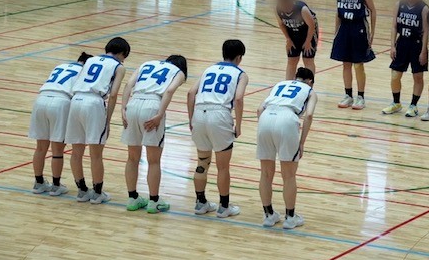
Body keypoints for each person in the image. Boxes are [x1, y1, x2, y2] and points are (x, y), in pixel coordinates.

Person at [187, 40, 249, 218]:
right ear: (239, 57)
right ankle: (223, 207)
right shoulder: (241, 74)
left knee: (202, 162)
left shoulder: (208, 69)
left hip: (199, 113)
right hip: (220, 115)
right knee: (222, 167)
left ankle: (200, 203)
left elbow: (191, 93)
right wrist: (238, 125)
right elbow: (238, 99)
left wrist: (191, 119)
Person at [66, 37, 130, 204]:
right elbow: (113, 94)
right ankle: (97, 193)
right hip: (94, 103)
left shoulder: (89, 60)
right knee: (96, 154)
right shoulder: (119, 67)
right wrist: (107, 121)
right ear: (122, 53)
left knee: (76, 151)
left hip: (76, 100)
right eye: (124, 57)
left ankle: (82, 191)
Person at [121, 55, 187, 213]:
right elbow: (169, 90)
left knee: (132, 157)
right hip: (153, 105)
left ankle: (132, 198)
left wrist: (123, 107)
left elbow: (128, 84)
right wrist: (160, 114)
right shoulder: (178, 71)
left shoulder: (146, 63)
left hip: (133, 103)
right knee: (154, 160)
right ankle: (154, 201)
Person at [256, 67, 317, 229]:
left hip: (265, 118)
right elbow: (309, 115)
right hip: (287, 119)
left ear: (295, 77)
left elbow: (259, 109)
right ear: (310, 81)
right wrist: (301, 142)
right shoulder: (310, 91)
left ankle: (268, 215)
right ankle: (290, 218)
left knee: (265, 173)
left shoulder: (280, 84)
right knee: (289, 175)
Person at [28, 52, 93, 196]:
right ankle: (56, 185)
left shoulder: (60, 66)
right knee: (57, 149)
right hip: (60, 102)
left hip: (41, 99)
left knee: (40, 147)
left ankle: (38, 183)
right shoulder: (84, 72)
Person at [330, 0, 377, 110]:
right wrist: (336, 32)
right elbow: (338, 12)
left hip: (359, 27)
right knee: (346, 64)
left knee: (358, 64)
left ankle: (360, 97)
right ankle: (348, 95)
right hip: (344, 27)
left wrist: (372, 32)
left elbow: (373, 11)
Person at [382, 0, 429, 117]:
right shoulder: (399, 4)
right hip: (402, 42)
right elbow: (394, 26)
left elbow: (426, 31)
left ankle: (414, 105)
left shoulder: (424, 8)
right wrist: (392, 46)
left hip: (416, 44)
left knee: (418, 77)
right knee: (395, 75)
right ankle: (396, 103)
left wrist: (423, 51)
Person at [275, 0, 318, 80]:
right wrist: (288, 39)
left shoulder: (302, 9)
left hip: (308, 32)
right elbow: (281, 25)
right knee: (292, 60)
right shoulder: (278, 9)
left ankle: (309, 85)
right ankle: (288, 84)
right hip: (292, 34)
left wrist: (308, 41)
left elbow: (311, 25)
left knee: (308, 59)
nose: (283, 5)